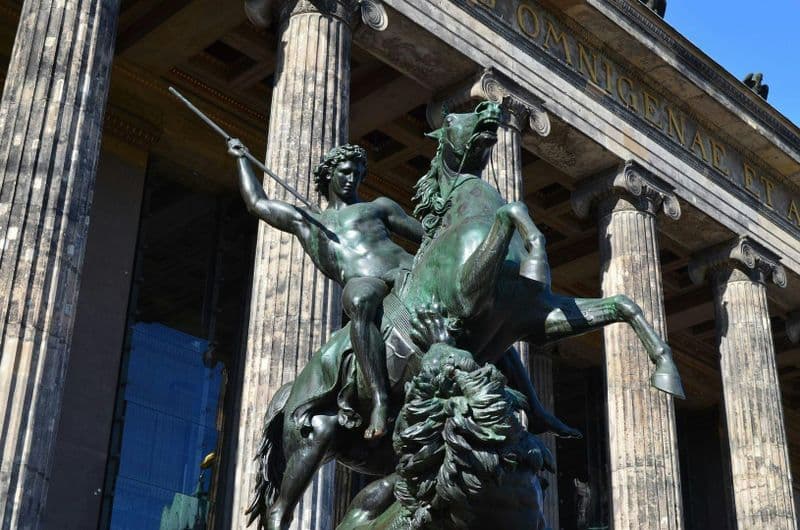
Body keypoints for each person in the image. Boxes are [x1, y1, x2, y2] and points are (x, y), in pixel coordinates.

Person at [228, 139, 423, 439]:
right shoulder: (309, 222)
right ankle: (380, 399)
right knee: (358, 300)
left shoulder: (378, 207)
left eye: (358, 174)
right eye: (345, 172)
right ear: (329, 174)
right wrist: (242, 159)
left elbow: (424, 234)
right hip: (366, 282)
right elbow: (257, 203)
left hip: (406, 269)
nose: (351, 179)